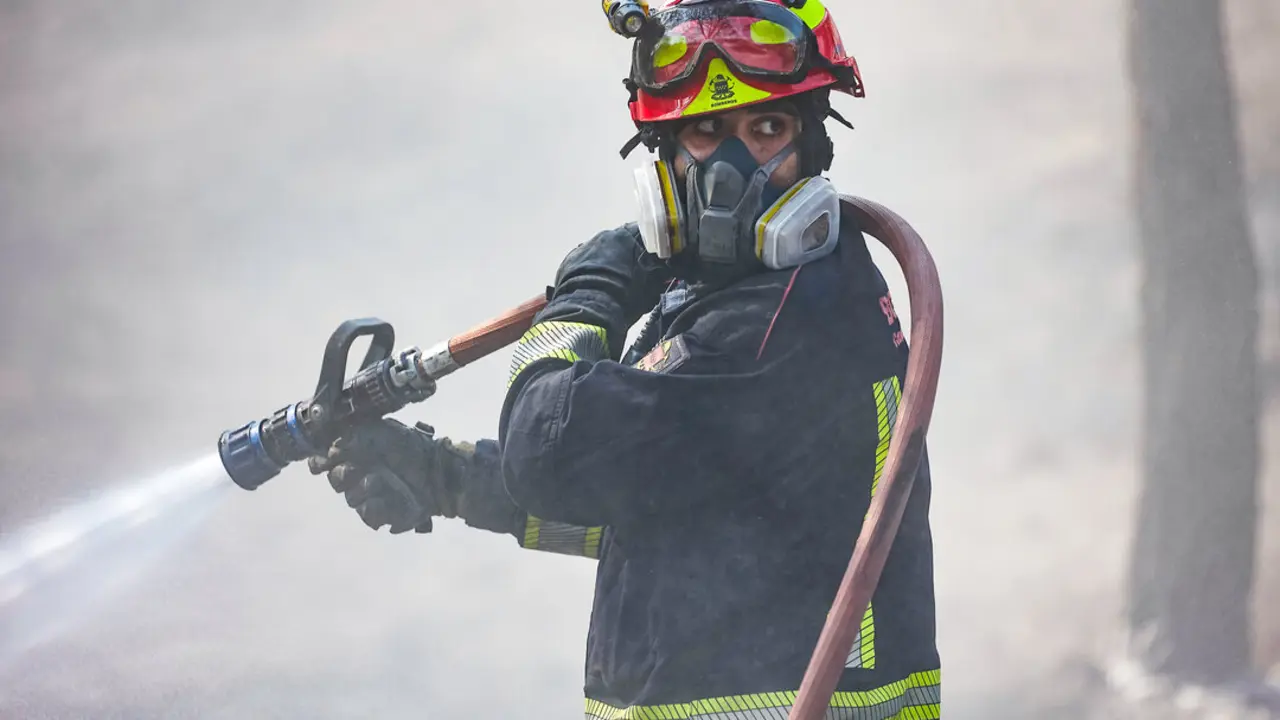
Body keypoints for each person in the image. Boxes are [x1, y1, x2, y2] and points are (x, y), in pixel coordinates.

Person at [309, 0, 941, 716]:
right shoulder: (773, 294)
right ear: (664, 150)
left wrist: (591, 293)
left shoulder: (776, 325)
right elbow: (673, 494)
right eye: (706, 131)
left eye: (768, 128)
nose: (734, 167)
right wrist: (449, 480)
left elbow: (549, 453)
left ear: (814, 145)